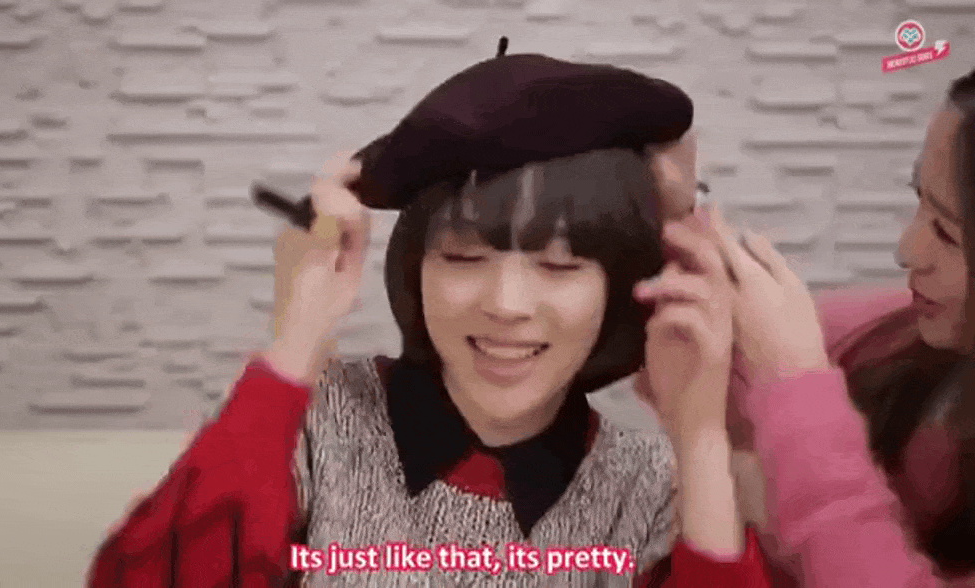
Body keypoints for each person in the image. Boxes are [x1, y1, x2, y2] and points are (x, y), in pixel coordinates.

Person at [86, 52, 772, 587]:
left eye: (560, 267)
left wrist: (700, 437)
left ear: (620, 286)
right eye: (464, 258)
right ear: (415, 267)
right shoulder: (311, 428)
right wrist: (296, 339)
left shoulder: (648, 487)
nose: (505, 305)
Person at [635, 66, 975, 587]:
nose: (908, 250)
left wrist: (793, 378)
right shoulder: (894, 334)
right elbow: (727, 366)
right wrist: (684, 231)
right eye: (918, 201)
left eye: (948, 234)